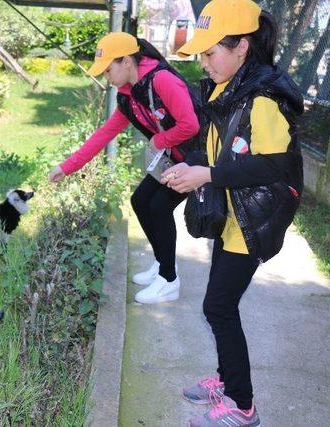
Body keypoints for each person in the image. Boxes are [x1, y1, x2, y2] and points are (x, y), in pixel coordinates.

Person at [161, 1, 303, 425]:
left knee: (218, 307)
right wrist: (192, 165)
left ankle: (242, 405)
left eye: (210, 52)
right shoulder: (228, 88)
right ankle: (226, 379)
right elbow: (219, 148)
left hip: (254, 217)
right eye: (202, 54)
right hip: (233, 212)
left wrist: (206, 174)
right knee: (219, 304)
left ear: (241, 46)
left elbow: (277, 164)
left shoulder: (263, 97)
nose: (204, 62)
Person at [48, 32, 200, 304]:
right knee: (140, 201)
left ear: (127, 61)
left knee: (159, 206)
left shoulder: (161, 80)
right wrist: (67, 167)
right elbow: (104, 134)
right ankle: (163, 263)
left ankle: (169, 280)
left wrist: (158, 140)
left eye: (108, 69)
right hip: (174, 157)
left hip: (199, 157)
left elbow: (191, 125)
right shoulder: (128, 96)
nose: (106, 76)